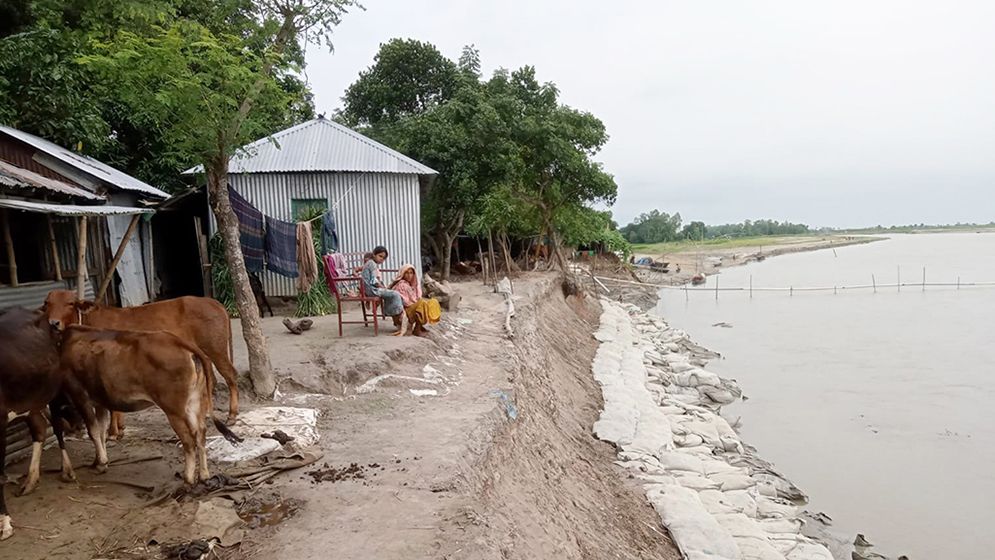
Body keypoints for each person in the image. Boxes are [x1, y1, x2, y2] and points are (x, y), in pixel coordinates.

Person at [390, 264, 442, 337]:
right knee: (422, 304)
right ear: (402, 273)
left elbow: (416, 298)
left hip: (412, 307)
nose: (409, 275)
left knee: (433, 302)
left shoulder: (412, 285)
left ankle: (420, 326)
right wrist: (418, 303)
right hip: (404, 310)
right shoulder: (401, 285)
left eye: (411, 273)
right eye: (406, 273)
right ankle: (417, 329)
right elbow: (405, 302)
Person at [361, 246, 404, 331]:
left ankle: (392, 314)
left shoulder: (371, 263)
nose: (382, 259)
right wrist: (383, 287)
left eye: (383, 258)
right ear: (374, 254)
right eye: (380, 256)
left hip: (370, 289)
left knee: (391, 294)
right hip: (372, 290)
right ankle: (398, 319)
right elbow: (374, 281)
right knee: (395, 294)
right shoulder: (371, 264)